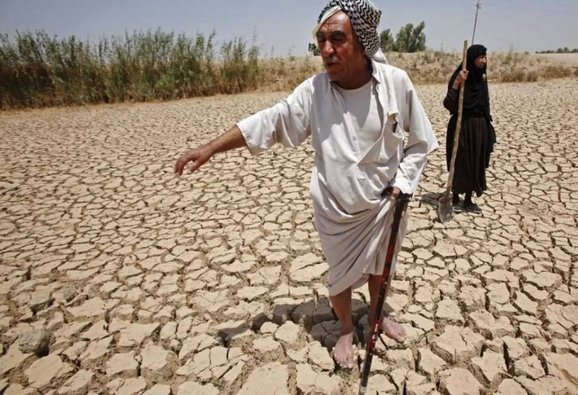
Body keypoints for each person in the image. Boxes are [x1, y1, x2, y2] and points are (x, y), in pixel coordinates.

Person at [174, 0, 437, 369]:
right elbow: (271, 121)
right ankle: (346, 327)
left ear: (362, 42)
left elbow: (421, 142)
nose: (326, 50)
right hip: (335, 208)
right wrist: (211, 148)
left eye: (337, 39)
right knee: (340, 276)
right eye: (321, 41)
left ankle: (377, 318)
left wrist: (405, 182)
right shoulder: (314, 91)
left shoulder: (396, 84)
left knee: (381, 268)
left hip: (384, 205)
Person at [442, 44, 495, 213]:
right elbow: (448, 103)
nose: (483, 60)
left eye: (485, 57)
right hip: (462, 125)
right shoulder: (460, 77)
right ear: (472, 59)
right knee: (461, 160)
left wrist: (487, 128)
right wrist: (458, 82)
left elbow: (485, 104)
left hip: (479, 126)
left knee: (475, 162)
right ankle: (456, 197)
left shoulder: (482, 78)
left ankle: (468, 200)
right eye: (480, 57)